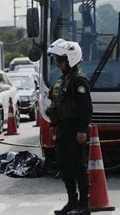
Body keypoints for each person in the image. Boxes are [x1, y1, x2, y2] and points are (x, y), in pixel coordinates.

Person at [47, 38, 93, 215]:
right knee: (64, 166)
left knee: (78, 166)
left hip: (76, 129)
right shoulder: (63, 80)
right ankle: (72, 202)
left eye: (61, 60)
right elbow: (57, 104)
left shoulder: (79, 81)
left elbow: (86, 107)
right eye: (57, 60)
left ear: (71, 59)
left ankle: (84, 205)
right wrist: (53, 123)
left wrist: (82, 130)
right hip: (64, 129)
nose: (58, 63)